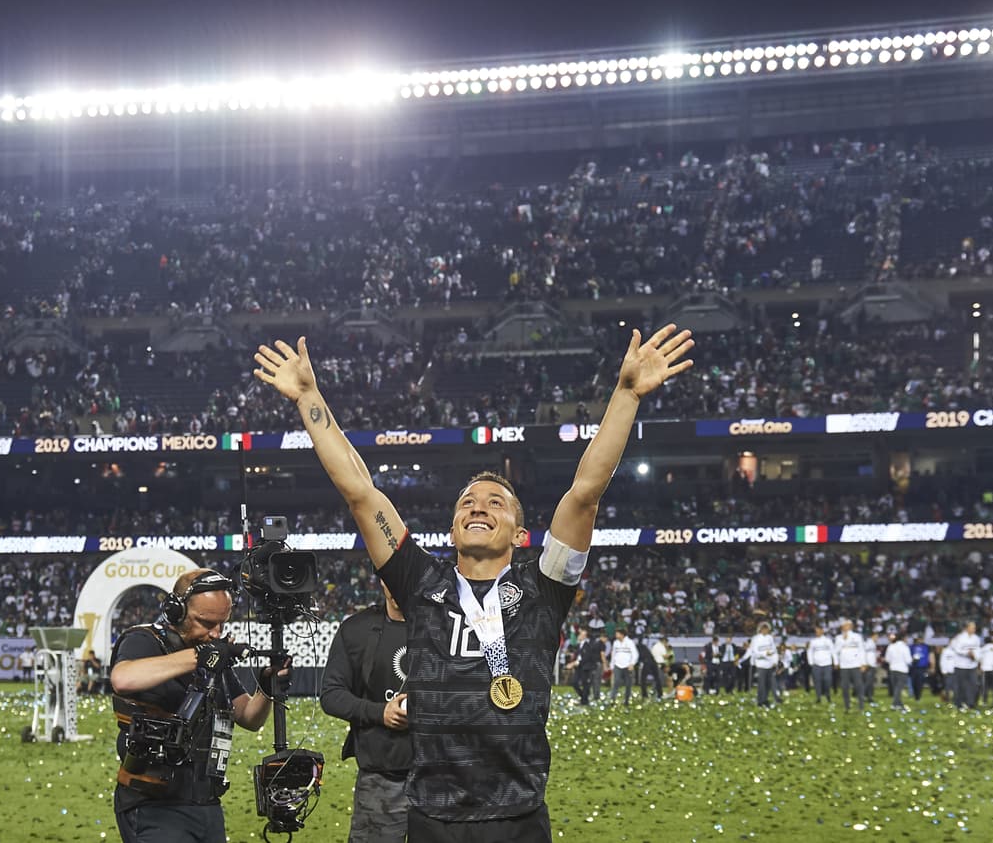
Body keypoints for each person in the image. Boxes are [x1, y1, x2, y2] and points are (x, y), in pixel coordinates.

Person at [252, 324, 694, 841]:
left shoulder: (544, 586)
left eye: (495, 502)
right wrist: (309, 397)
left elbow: (584, 493)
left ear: (521, 532)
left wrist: (624, 395)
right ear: (454, 526)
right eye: (467, 502)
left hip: (518, 816)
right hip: (432, 816)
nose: (478, 506)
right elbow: (360, 493)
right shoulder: (421, 582)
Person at [109, 568, 286, 843]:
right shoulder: (143, 640)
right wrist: (201, 657)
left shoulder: (213, 654)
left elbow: (250, 717)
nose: (216, 633)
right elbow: (123, 678)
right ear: (175, 611)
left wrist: (267, 686)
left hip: (206, 801)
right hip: (154, 805)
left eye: (222, 623)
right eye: (205, 623)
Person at [320, 583, 412, 843]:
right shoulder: (357, 629)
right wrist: (380, 712)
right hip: (380, 776)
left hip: (439, 777)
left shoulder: (447, 626)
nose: (396, 581)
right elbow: (331, 695)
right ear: (381, 579)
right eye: (389, 574)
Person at [738, 622, 778, 708]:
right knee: (761, 683)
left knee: (768, 683)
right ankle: (761, 701)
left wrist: (775, 660)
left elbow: (774, 650)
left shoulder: (770, 638)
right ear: (761, 629)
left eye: (767, 629)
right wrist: (765, 654)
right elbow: (755, 651)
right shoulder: (755, 639)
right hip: (760, 664)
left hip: (769, 664)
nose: (766, 631)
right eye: (764, 629)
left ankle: (766, 699)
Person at [566, 627, 604, 705]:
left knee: (585, 684)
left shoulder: (588, 645)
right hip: (579, 667)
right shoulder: (579, 645)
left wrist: (574, 663)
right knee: (574, 682)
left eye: (581, 634)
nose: (579, 636)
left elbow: (585, 658)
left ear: (584, 636)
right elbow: (578, 656)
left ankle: (584, 701)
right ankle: (584, 696)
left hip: (586, 667)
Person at [948, 621, 982, 709]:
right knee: (960, 686)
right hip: (960, 665)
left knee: (973, 684)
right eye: (972, 627)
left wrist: (976, 657)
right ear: (967, 628)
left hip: (972, 666)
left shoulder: (976, 638)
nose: (974, 629)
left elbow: (978, 650)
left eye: (974, 627)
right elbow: (957, 649)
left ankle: (970, 703)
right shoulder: (960, 637)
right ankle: (958, 703)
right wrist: (967, 653)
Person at [834, 620, 866, 712]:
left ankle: (861, 705)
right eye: (844, 626)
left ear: (851, 626)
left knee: (858, 685)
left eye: (847, 625)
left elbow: (861, 650)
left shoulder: (857, 637)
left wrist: (863, 663)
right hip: (844, 665)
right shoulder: (839, 638)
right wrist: (836, 662)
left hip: (855, 664)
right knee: (845, 687)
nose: (845, 627)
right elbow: (835, 651)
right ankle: (847, 705)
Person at [609, 628, 639, 706]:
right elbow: (613, 654)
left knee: (628, 684)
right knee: (616, 683)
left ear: (622, 634)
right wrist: (612, 664)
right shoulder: (615, 643)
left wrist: (632, 663)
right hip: (618, 665)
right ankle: (612, 700)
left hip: (627, 666)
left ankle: (626, 701)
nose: (616, 635)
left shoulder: (630, 642)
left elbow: (635, 654)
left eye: (617, 633)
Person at [806, 626, 835, 703]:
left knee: (827, 680)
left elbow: (833, 651)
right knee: (817, 681)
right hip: (816, 664)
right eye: (816, 631)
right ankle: (818, 697)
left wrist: (835, 662)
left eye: (818, 631)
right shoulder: (813, 641)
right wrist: (811, 662)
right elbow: (810, 652)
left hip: (827, 664)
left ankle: (827, 695)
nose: (817, 632)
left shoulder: (828, 641)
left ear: (822, 631)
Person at [884, 632, 912, 709]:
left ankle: (899, 704)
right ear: (903, 638)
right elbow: (908, 660)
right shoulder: (905, 647)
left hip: (893, 669)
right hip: (902, 670)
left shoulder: (891, 646)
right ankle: (894, 704)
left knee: (896, 687)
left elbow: (887, 659)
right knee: (899, 688)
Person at [909, 635, 931, 701]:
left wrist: (929, 666)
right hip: (914, 667)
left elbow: (928, 656)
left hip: (922, 668)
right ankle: (915, 695)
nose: (920, 640)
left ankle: (918, 696)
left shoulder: (926, 647)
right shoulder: (911, 647)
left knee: (920, 682)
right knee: (913, 682)